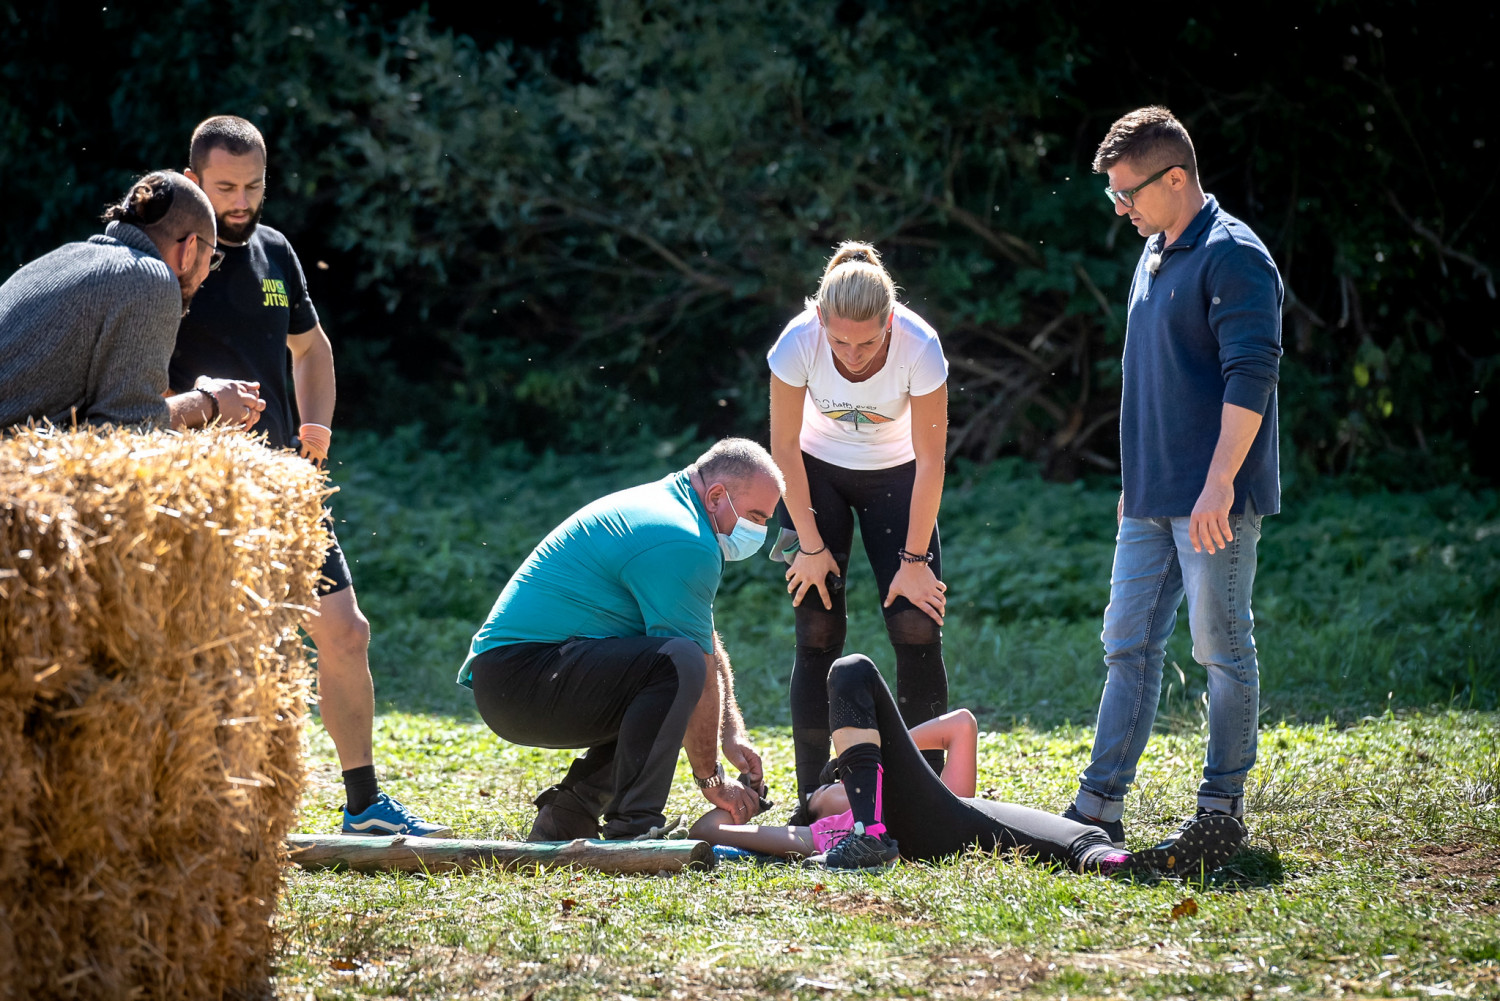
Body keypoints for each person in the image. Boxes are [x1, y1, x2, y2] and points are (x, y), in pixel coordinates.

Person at [169, 115, 447, 838]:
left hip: (286, 484)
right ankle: (219, 806)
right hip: (204, 485)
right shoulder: (167, 257)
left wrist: (315, 429)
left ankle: (363, 802)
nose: (240, 200)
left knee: (346, 632)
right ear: (193, 180)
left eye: (253, 186)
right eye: (225, 186)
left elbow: (311, 345)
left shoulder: (274, 250)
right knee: (239, 645)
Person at [1060, 106, 1283, 851]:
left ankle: (1221, 809)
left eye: (1129, 193)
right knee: (1126, 645)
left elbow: (1251, 377)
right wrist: (1135, 480)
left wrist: (1219, 483)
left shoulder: (1234, 257)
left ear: (1177, 177)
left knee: (1222, 649)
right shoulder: (1154, 251)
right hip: (1148, 500)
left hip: (1212, 502)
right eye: (1114, 196)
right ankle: (1098, 803)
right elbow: (1148, 382)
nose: (1120, 208)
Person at [459, 438, 782, 841]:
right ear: (717, 496)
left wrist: (730, 733)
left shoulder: (674, 508)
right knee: (674, 663)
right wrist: (711, 779)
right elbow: (693, 663)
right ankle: (634, 826)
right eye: (755, 515)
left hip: (517, 679)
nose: (759, 531)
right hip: (522, 682)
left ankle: (568, 815)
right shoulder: (683, 538)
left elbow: (704, 637)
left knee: (666, 666)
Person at [690, 653, 1244, 877]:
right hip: (886, 837)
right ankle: (873, 834)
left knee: (1083, 838)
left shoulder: (861, 784)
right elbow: (708, 830)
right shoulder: (812, 828)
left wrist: (872, 756)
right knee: (851, 670)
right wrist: (732, 799)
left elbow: (961, 727)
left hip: (954, 825)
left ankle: (1136, 865)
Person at [767, 241, 951, 820]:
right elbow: (782, 450)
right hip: (814, 476)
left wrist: (915, 561)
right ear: (820, 320)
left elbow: (931, 461)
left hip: (897, 479)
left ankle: (927, 793)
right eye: (839, 340)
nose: (850, 354)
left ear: (889, 321)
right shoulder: (798, 342)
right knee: (817, 626)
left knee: (916, 623)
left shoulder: (920, 347)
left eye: (867, 340)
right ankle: (810, 799)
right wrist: (811, 545)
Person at [0, 170, 262, 430]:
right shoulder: (150, 277)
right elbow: (128, 427)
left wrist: (193, 399)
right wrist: (211, 404)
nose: (207, 274)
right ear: (189, 249)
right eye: (212, 259)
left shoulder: (63, 257)